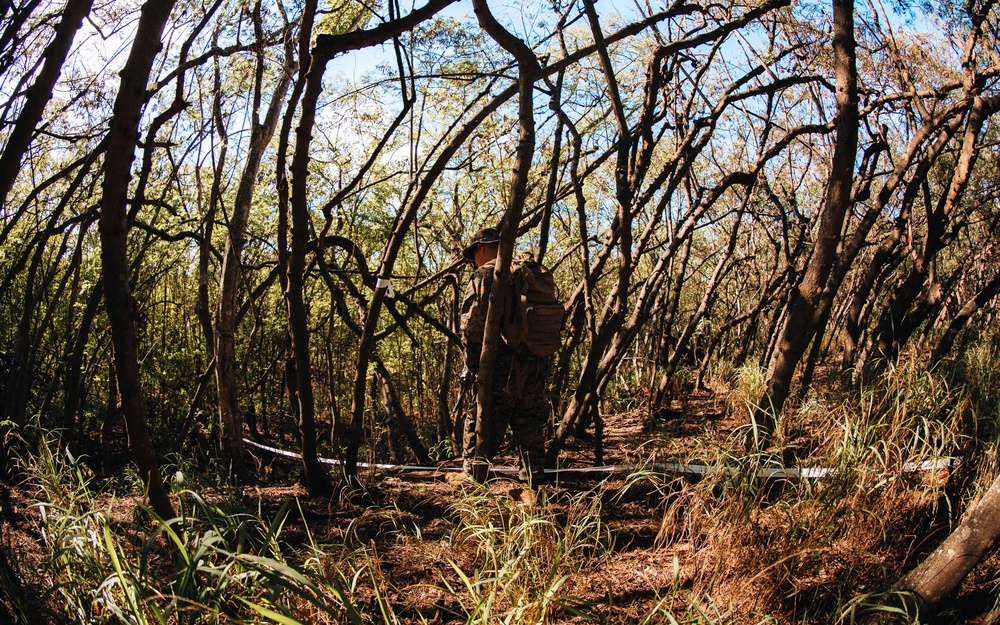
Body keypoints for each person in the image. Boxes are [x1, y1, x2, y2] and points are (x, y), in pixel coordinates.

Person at [459, 227, 550, 488]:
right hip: (533, 362)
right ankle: (535, 489)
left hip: (499, 369)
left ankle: (474, 486)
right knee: (530, 428)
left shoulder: (487, 273)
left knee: (480, 424)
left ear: (481, 247)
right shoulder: (529, 271)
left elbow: (473, 326)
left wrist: (474, 365)